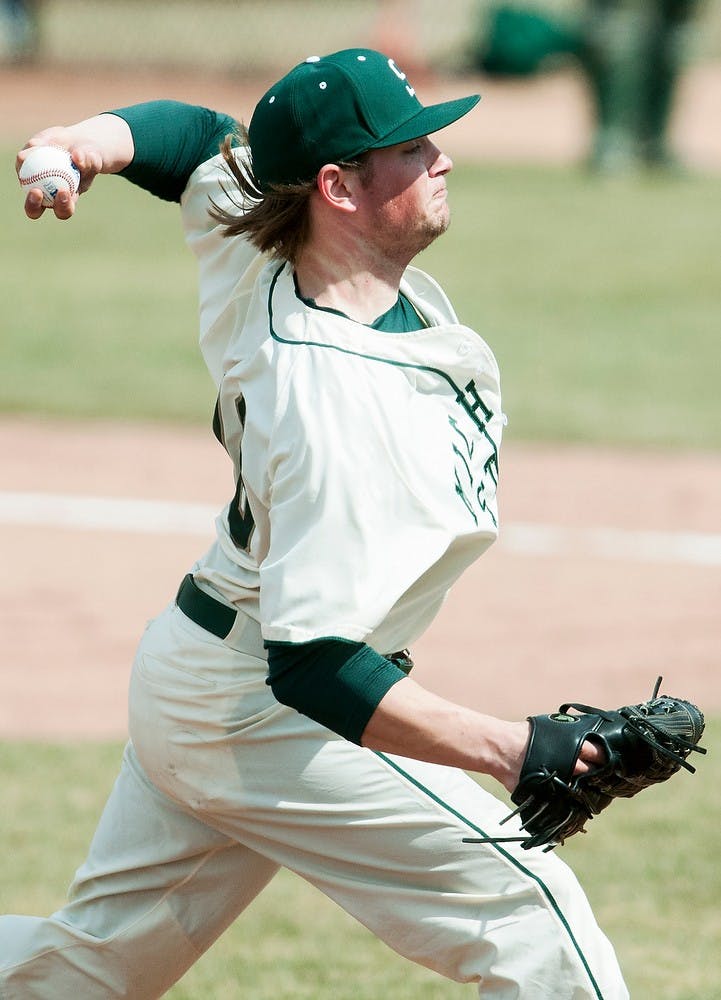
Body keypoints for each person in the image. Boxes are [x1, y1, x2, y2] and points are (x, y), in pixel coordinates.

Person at [6, 48, 628, 998]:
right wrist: (515, 746)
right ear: (338, 187)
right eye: (411, 149)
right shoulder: (331, 405)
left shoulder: (264, 231)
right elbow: (314, 663)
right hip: (264, 710)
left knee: (82, 975)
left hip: (197, 675)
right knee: (527, 913)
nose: (442, 159)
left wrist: (78, 142)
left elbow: (194, 141)